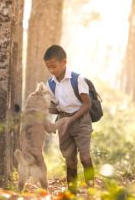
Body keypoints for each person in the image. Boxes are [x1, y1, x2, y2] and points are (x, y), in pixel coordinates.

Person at [43, 45, 94, 193]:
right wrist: (42, 109)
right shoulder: (50, 83)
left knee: (85, 157)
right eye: (48, 67)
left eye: (54, 66)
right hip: (63, 122)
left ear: (64, 62)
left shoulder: (77, 79)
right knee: (70, 160)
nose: (52, 70)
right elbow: (55, 107)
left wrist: (71, 120)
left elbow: (87, 104)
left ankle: (91, 191)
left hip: (81, 120)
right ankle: (72, 192)